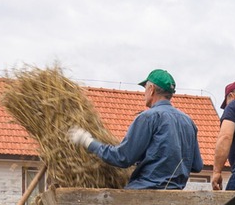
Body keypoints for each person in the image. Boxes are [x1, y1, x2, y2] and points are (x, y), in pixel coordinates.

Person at [66, 69, 206, 190]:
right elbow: (197, 166)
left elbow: (122, 157)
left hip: (145, 192)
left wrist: (88, 142)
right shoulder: (189, 122)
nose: (144, 92)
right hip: (176, 193)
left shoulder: (148, 117)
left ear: (151, 90)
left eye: (145, 88)